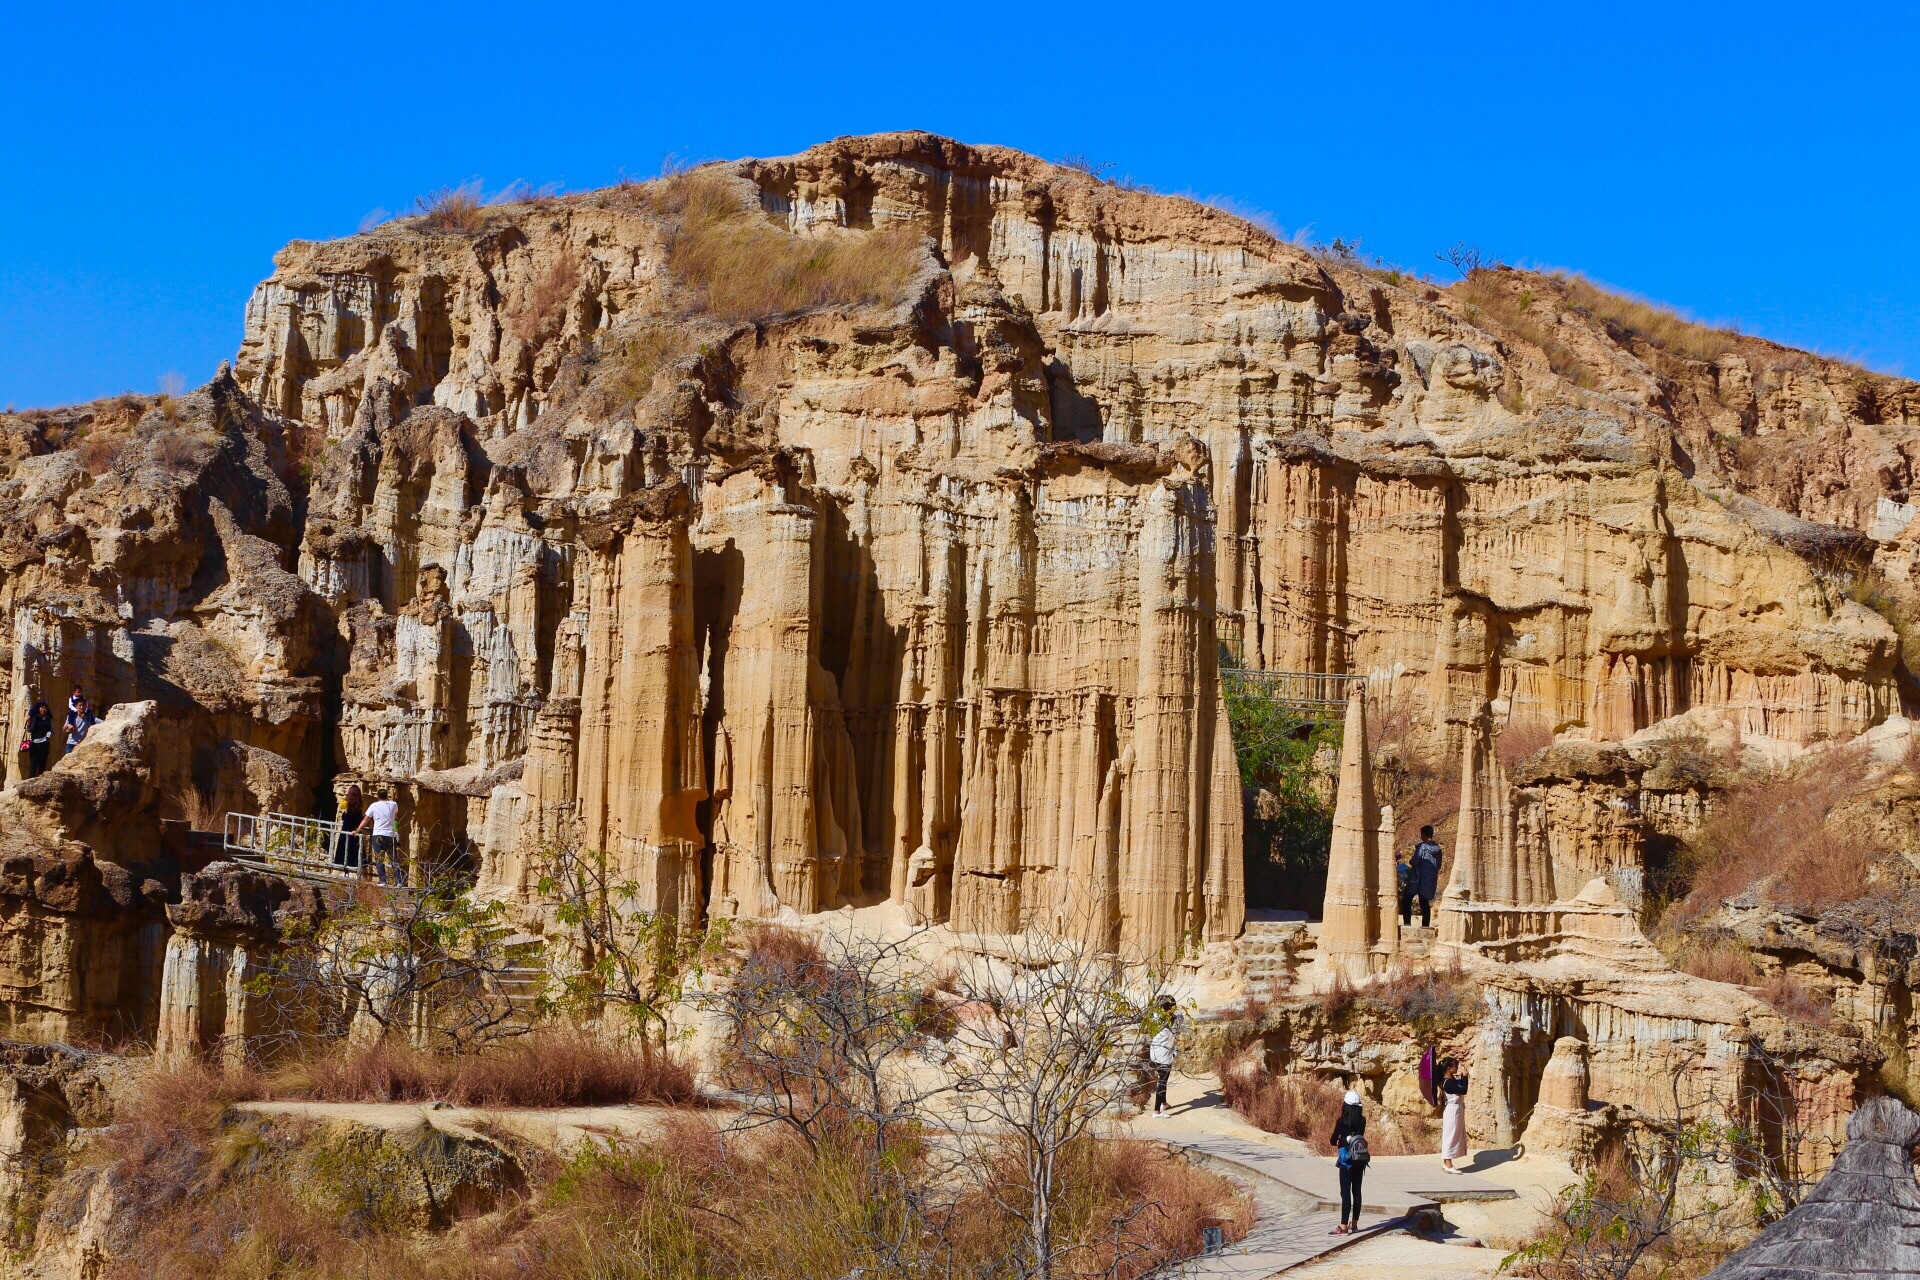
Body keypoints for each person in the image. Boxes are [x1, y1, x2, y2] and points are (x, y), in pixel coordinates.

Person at [1330, 1089, 1369, 1234]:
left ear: (1345, 1105)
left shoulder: (1342, 1121)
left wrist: (1340, 1139)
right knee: (1357, 1191)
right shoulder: (1362, 1120)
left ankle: (1343, 1226)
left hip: (1346, 1161)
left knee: (1345, 1192)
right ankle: (1355, 1224)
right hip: (1360, 1159)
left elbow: (1332, 1140)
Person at [355, 787, 402, 886]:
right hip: (390, 834)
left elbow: (366, 819)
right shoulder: (394, 804)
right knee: (394, 859)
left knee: (379, 859)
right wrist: (396, 831)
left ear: (378, 796)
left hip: (377, 834)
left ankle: (383, 881)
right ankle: (399, 881)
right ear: (387, 795)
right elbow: (396, 818)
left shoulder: (374, 805)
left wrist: (358, 829)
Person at [1147, 995, 1179, 1117]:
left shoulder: (1156, 1018)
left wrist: (1158, 1001)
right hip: (1164, 1054)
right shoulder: (1175, 1020)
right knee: (1162, 1081)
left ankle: (1164, 1103)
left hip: (1154, 1052)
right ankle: (1156, 1111)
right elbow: (1179, 1014)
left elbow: (1153, 1010)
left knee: (1161, 1078)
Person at [1438, 1057, 1470, 1171]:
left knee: (1454, 1135)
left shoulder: (1450, 1079)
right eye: (1455, 1066)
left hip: (1456, 1109)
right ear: (1449, 1068)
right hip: (1452, 1110)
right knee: (1450, 1136)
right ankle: (1448, 1164)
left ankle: (1447, 1163)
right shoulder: (1448, 1082)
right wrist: (1465, 1077)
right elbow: (1463, 1090)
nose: (1456, 1068)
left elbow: (1459, 1087)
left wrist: (1461, 1078)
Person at [1409, 825, 1443, 928]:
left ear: (1424, 834)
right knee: (1425, 902)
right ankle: (1425, 925)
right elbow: (1439, 865)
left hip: (1420, 878)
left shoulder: (1422, 847)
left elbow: (1415, 860)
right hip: (1431, 879)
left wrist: (1411, 862)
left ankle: (1407, 923)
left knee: (1408, 898)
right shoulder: (1438, 849)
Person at [333, 784, 365, 870]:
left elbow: (344, 814)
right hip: (355, 832)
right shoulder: (360, 805)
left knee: (345, 852)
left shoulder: (349, 805)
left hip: (348, 831)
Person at [22, 701, 53, 778]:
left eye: (45, 708)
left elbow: (52, 730)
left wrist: (48, 736)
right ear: (39, 709)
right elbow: (29, 730)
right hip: (34, 744)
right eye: (42, 708)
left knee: (42, 763)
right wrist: (29, 722)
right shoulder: (35, 718)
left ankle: (40, 779)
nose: (43, 709)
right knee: (33, 764)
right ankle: (31, 780)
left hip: (44, 743)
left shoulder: (49, 719)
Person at [1395, 851, 1415, 926]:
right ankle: (1407, 923)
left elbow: (1406, 878)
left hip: (1406, 888)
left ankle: (1407, 923)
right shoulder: (1404, 867)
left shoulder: (1401, 867)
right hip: (1408, 887)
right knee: (1406, 904)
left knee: (1405, 903)